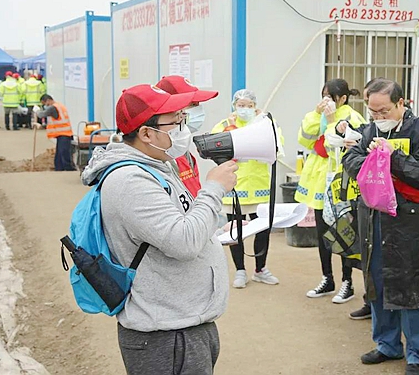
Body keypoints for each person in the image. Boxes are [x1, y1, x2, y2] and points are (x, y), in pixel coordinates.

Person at [79, 84, 238, 375]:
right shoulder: (130, 181)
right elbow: (183, 242)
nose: (182, 127)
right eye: (175, 121)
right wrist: (214, 188)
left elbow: (178, 225)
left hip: (183, 325)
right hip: (166, 336)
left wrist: (213, 232)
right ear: (146, 133)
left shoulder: (156, 165)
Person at [343, 78, 419, 375]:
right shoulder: (370, 130)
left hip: (410, 221)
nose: (378, 117)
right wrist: (374, 162)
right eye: (372, 111)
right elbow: (350, 158)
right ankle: (387, 344)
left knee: (411, 286)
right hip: (374, 219)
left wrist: (393, 157)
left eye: (383, 111)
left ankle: (418, 355)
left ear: (401, 103)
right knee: (378, 282)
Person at [296, 78, 366, 303]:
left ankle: (347, 282)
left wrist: (333, 122)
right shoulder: (318, 115)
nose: (326, 101)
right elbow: (305, 139)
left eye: (331, 97)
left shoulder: (352, 117)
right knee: (322, 232)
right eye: (324, 96)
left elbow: (340, 144)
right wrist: (317, 115)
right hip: (318, 180)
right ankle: (327, 278)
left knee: (344, 232)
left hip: (340, 180)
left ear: (343, 98)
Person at [211, 89, 284, 288]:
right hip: (235, 187)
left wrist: (262, 121)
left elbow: (277, 144)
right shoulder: (224, 125)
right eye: (241, 105)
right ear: (234, 106)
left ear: (255, 107)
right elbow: (217, 148)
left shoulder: (263, 124)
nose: (244, 109)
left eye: (249, 106)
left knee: (263, 230)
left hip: (259, 188)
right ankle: (240, 270)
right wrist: (231, 129)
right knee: (235, 231)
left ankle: (261, 269)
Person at [156, 75, 219, 197]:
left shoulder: (181, 149)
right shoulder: (163, 155)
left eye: (198, 104)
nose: (198, 110)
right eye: (193, 104)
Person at [32, 95, 76, 171]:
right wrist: (42, 126)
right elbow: (54, 122)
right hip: (63, 134)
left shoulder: (53, 108)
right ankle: (59, 168)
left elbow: (41, 115)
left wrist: (37, 111)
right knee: (59, 153)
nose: (45, 106)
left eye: (45, 104)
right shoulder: (60, 106)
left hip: (64, 134)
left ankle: (68, 168)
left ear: (48, 100)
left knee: (64, 152)